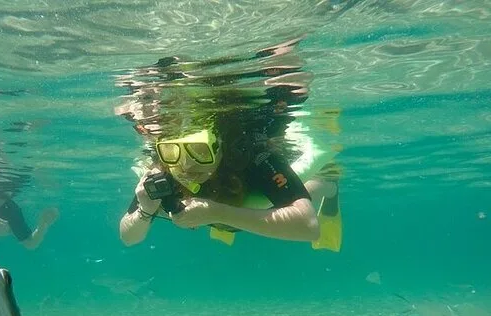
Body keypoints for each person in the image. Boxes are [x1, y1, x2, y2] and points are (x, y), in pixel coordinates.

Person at [116, 41, 342, 250]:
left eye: (199, 150)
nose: (186, 165)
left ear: (219, 145)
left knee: (275, 197)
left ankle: (329, 186)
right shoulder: (164, 168)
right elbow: (128, 238)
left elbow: (308, 226)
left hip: (248, 204)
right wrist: (145, 211)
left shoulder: (248, 153)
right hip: (221, 215)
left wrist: (217, 214)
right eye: (172, 151)